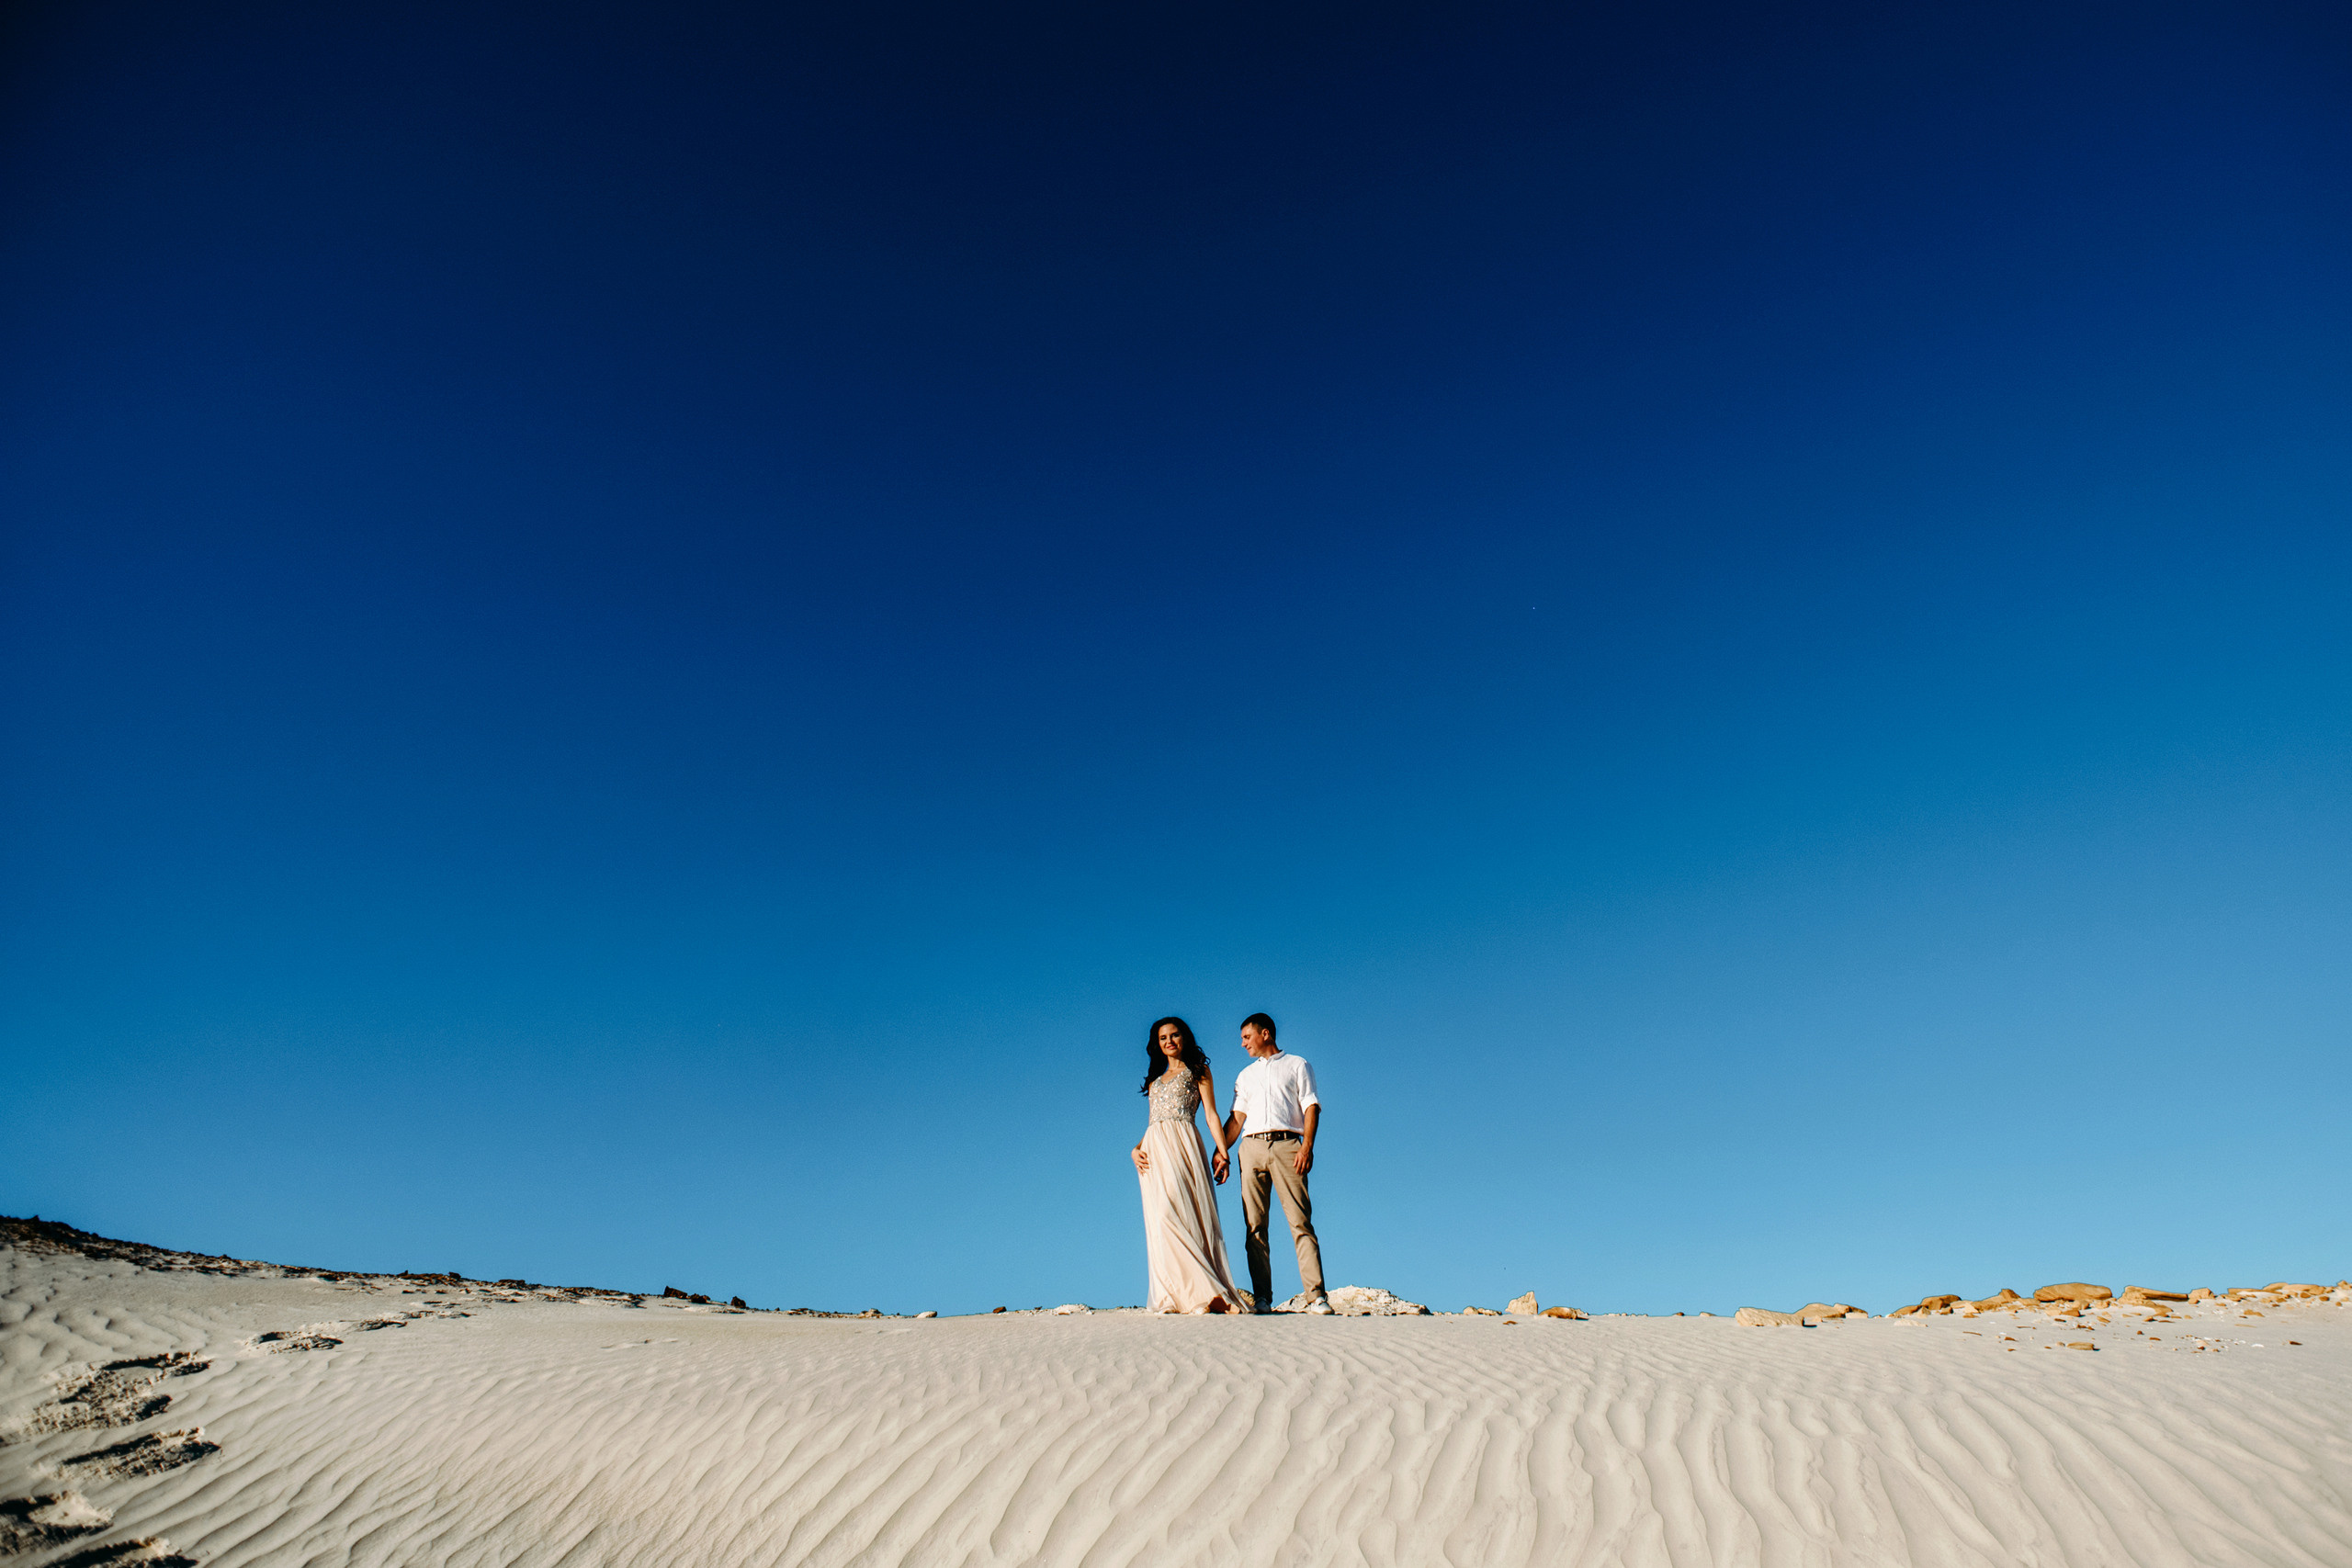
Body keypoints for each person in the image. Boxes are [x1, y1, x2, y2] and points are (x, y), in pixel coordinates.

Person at [1130, 1016, 1247, 1314]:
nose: (1169, 1041)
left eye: (1175, 1035)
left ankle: (1203, 1292)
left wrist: (1223, 1152)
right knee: (1161, 1218)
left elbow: (1210, 1114)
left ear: (1185, 1037)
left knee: (1180, 1213)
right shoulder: (1155, 1081)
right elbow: (1153, 1121)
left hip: (1183, 1144)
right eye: (1163, 1038)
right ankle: (1174, 1295)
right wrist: (1136, 1149)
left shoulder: (1198, 1070)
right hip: (1153, 1151)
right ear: (1157, 1044)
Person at [1222, 1012, 1330, 1314]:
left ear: (1265, 1034)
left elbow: (1311, 1106)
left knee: (1301, 1222)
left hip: (1288, 1145)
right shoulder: (1245, 1076)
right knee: (1254, 1226)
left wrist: (1307, 1146)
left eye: (1247, 1037)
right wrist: (1221, 1150)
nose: (1242, 1044)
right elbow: (1237, 1119)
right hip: (1251, 1147)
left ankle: (1316, 1296)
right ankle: (1262, 1299)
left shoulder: (1298, 1064)